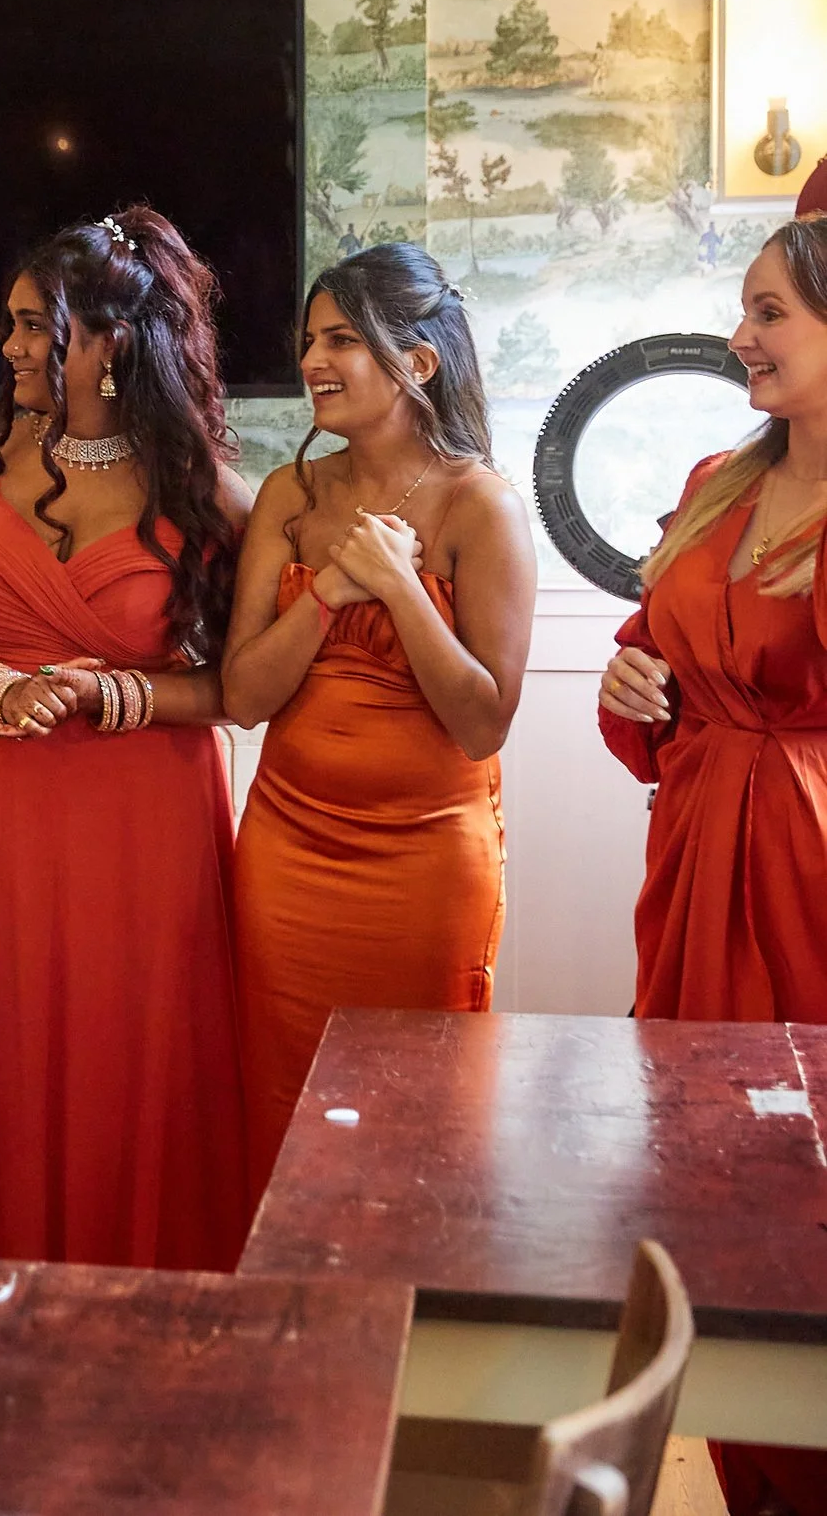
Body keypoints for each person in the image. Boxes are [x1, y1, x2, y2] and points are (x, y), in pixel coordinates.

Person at [0, 207, 255, 1270]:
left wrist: (125, 694)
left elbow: (246, 685)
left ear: (114, 339)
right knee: (2, 1045)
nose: (13, 347)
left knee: (137, 1052)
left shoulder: (202, 487)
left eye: (38, 326)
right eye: (13, 324)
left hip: (144, 814)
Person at [221, 244, 534, 1198]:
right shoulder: (289, 494)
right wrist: (330, 595)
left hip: (426, 868)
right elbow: (242, 696)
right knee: (279, 1103)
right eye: (310, 338)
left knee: (416, 1116)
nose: (313, 359)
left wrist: (400, 587)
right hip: (286, 857)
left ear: (420, 364)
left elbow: (482, 723)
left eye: (343, 339)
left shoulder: (483, 508)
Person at [599, 217, 827, 1516]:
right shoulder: (713, 480)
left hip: (809, 863)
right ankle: (745, 1469)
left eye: (772, 311)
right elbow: (651, 666)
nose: (740, 335)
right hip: (692, 848)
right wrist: (643, 685)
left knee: (796, 1184)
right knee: (695, 1165)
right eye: (745, 307)